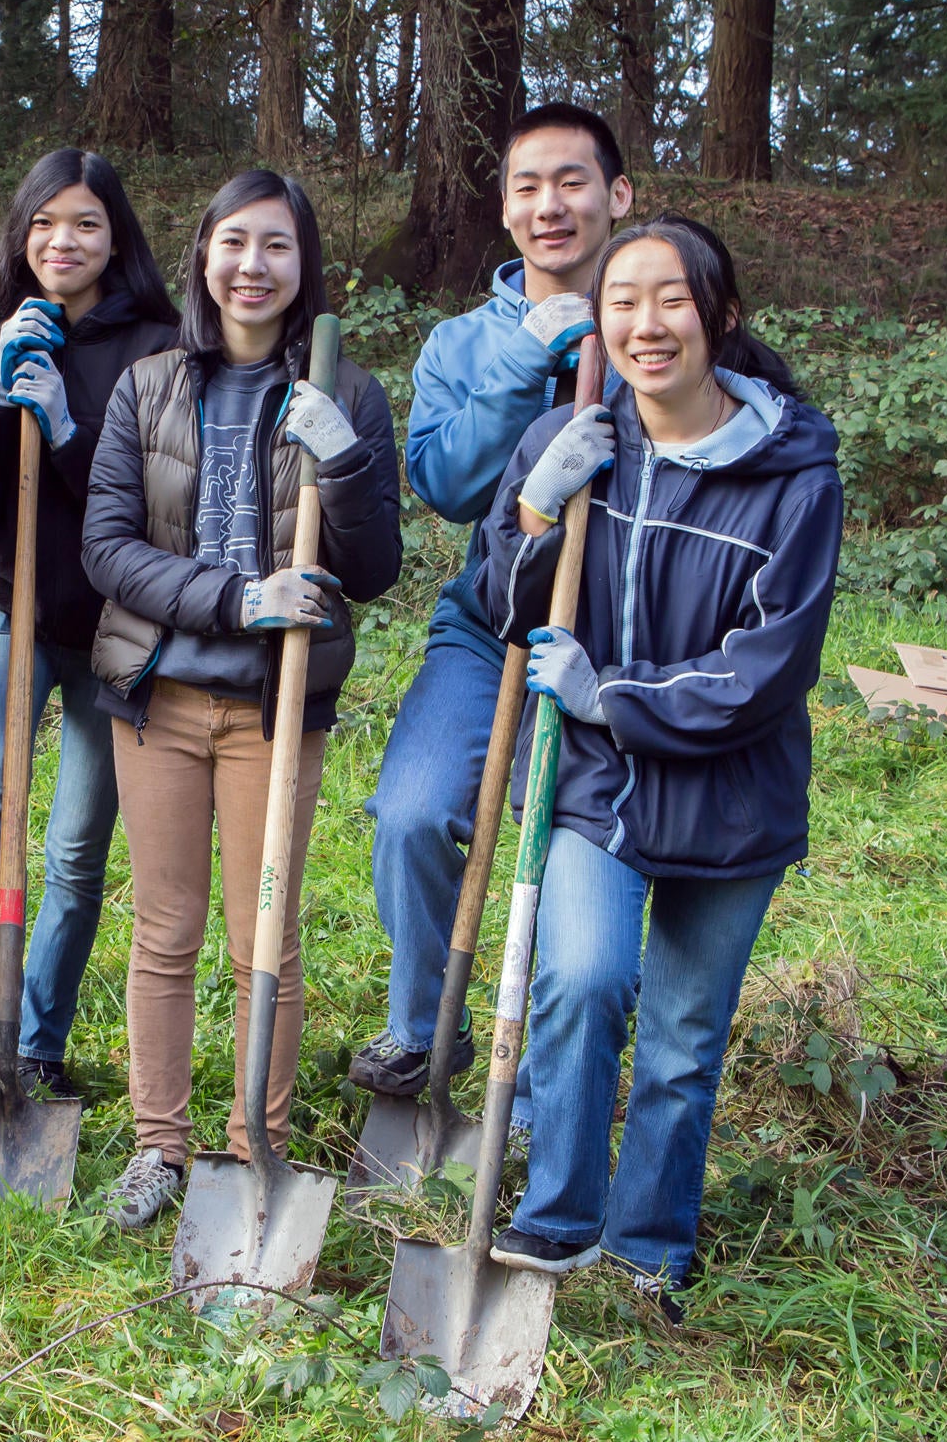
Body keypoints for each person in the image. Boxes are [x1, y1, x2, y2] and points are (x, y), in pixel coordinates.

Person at [351, 104, 797, 1114]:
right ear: (504, 210)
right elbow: (443, 485)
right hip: (493, 616)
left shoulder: (666, 315)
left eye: (572, 182)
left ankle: (548, 1092)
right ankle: (426, 1031)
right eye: (527, 187)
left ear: (619, 195)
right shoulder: (464, 343)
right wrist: (521, 365)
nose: (549, 205)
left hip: (626, 638)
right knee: (412, 814)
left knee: (563, 861)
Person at [474, 215, 841, 1319]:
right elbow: (504, 607)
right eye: (621, 300)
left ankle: (646, 1248)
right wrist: (536, 506)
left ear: (719, 315)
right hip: (598, 788)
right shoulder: (578, 440)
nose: (645, 323)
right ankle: (558, 1215)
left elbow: (767, 669)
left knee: (682, 1039)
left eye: (671, 298)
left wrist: (614, 695)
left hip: (732, 803)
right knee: (581, 979)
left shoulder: (793, 474)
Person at [80, 170, 404, 1228]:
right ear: (203, 256)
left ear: (304, 264)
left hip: (277, 705)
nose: (252, 266)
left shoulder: (347, 393)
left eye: (276, 246)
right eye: (233, 243)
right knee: (163, 930)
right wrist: (235, 596)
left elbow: (374, 566)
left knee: (263, 936)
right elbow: (108, 550)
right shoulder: (148, 384)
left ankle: (249, 1146)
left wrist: (344, 464)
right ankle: (159, 1148)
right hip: (160, 698)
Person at [0, 149, 181, 1103]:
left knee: (74, 842)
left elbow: (155, 512)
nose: (61, 243)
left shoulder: (161, 344)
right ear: (19, 236)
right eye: (43, 224)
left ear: (117, 238)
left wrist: (66, 425)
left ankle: (39, 1042)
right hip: (8, 606)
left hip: (115, 624)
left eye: (84, 224)